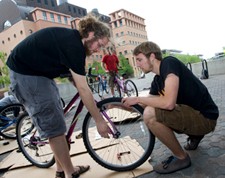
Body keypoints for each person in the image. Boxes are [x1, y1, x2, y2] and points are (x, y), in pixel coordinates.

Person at [6, 15, 111, 178]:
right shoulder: (73, 45)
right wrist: (99, 120)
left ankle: (60, 170)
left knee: (57, 118)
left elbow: (76, 80)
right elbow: (83, 88)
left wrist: (90, 98)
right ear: (90, 34)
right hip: (25, 74)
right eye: (99, 44)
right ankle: (70, 173)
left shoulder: (74, 43)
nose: (98, 49)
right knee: (54, 126)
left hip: (39, 74)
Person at [121, 41, 219, 174]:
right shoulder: (157, 80)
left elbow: (168, 103)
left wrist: (137, 98)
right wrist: (120, 105)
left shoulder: (169, 63)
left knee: (150, 114)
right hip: (193, 115)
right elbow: (144, 104)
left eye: (139, 59)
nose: (137, 64)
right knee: (150, 109)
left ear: (152, 57)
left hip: (206, 118)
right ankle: (195, 135)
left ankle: (182, 158)